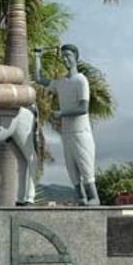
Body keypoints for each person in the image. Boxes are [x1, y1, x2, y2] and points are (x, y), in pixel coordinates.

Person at [34, 44, 99, 205]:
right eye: (63, 56)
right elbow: (39, 79)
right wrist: (37, 57)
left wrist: (62, 113)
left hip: (81, 132)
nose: (65, 59)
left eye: (68, 56)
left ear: (75, 57)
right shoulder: (61, 83)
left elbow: (83, 107)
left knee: (85, 166)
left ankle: (93, 197)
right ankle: (81, 198)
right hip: (67, 132)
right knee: (71, 168)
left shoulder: (81, 80)